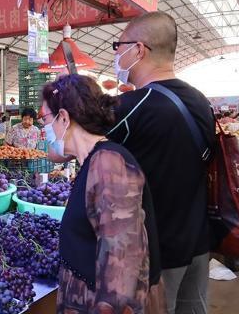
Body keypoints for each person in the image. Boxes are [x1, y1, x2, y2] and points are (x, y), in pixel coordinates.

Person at [107, 11, 214, 314]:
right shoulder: (200, 100)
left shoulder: (131, 106)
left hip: (155, 249)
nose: (116, 54)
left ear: (138, 49)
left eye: (119, 46)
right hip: (198, 241)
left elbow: (62, 149)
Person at [41, 74, 163, 313]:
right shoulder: (92, 161)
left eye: (45, 119)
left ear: (63, 117)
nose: (44, 129)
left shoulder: (109, 165)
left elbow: (123, 270)